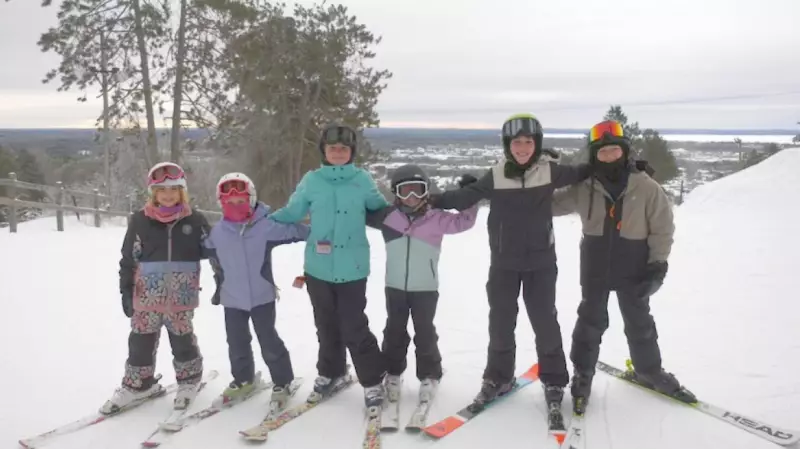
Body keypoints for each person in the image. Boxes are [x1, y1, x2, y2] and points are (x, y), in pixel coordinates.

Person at [427, 113, 592, 412]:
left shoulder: (550, 172)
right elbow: (464, 196)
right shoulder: (496, 175)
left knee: (545, 323)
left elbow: (584, 171)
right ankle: (498, 378)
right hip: (503, 264)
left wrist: (624, 167)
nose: (523, 147)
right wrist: (431, 199)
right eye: (517, 142)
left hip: (541, 264)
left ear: (537, 144)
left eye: (529, 142)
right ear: (508, 145)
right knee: (501, 324)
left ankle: (554, 380)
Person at [552, 120, 695, 413]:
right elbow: (550, 205)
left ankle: (649, 371)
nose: (608, 156)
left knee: (639, 323)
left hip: (635, 266)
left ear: (624, 151)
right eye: (602, 152)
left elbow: (662, 229)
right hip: (594, 264)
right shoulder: (584, 187)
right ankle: (583, 374)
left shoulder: (647, 187)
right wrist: (533, 185)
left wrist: (658, 265)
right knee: (590, 322)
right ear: (594, 155)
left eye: (614, 150)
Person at [269, 123, 391, 408]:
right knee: (325, 325)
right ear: (324, 150)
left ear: (351, 152)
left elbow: (380, 208)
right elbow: (293, 212)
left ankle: (373, 378)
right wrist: (261, 222)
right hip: (318, 268)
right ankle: (332, 372)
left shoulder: (362, 180)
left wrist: (412, 216)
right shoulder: (312, 180)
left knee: (354, 325)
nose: (338, 153)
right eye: (332, 148)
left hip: (353, 268)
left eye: (343, 148)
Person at [101, 162, 210, 414]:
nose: (168, 194)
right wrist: (126, 291)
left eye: (174, 189)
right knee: (140, 341)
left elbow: (215, 251)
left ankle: (189, 380)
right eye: (162, 190)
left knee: (182, 340)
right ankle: (138, 384)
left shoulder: (195, 220)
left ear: (182, 191)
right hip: (146, 296)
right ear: (153, 192)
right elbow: (128, 259)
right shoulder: (140, 221)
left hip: (181, 296)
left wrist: (224, 278)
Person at [365, 164, 478, 401]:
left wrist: (470, 194)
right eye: (405, 191)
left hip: (425, 288)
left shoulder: (436, 218)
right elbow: (356, 213)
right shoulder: (388, 217)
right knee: (394, 330)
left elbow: (464, 222)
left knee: (424, 331)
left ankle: (430, 374)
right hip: (394, 286)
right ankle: (393, 372)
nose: (412, 197)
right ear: (396, 193)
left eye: (417, 190)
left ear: (426, 191)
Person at [204, 172, 310, 408]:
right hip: (231, 298)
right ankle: (243, 379)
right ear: (220, 203)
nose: (235, 206)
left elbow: (302, 232)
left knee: (268, 340)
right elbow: (194, 249)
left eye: (240, 201)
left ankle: (283, 381)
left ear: (251, 200)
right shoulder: (217, 233)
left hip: (262, 297)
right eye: (229, 202)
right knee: (236, 342)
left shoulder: (267, 227)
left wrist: (327, 235)